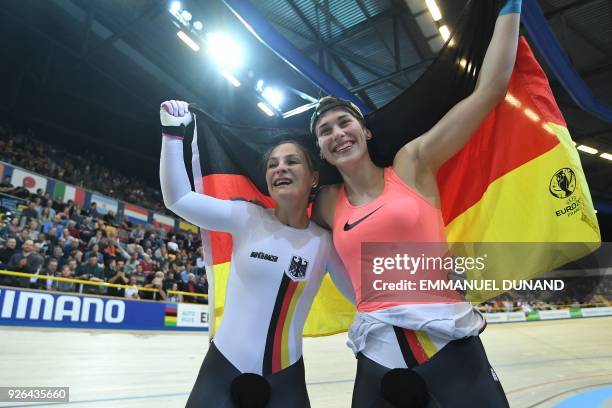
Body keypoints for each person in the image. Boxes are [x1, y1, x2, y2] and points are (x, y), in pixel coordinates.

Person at [310, 2, 521, 406]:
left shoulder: (411, 166)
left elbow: (490, 90)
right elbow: (267, 193)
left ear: (365, 131)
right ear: (319, 150)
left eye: (344, 122)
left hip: (449, 345)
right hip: (378, 358)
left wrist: (511, 6)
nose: (337, 133)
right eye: (324, 131)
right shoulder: (325, 201)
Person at [159, 99, 354, 408]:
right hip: (222, 370)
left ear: (313, 178)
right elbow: (179, 198)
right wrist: (171, 134)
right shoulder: (245, 217)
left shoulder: (326, 244)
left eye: (292, 161)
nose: (281, 168)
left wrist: (433, 283)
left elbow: (368, 298)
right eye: (273, 164)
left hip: (285, 380)